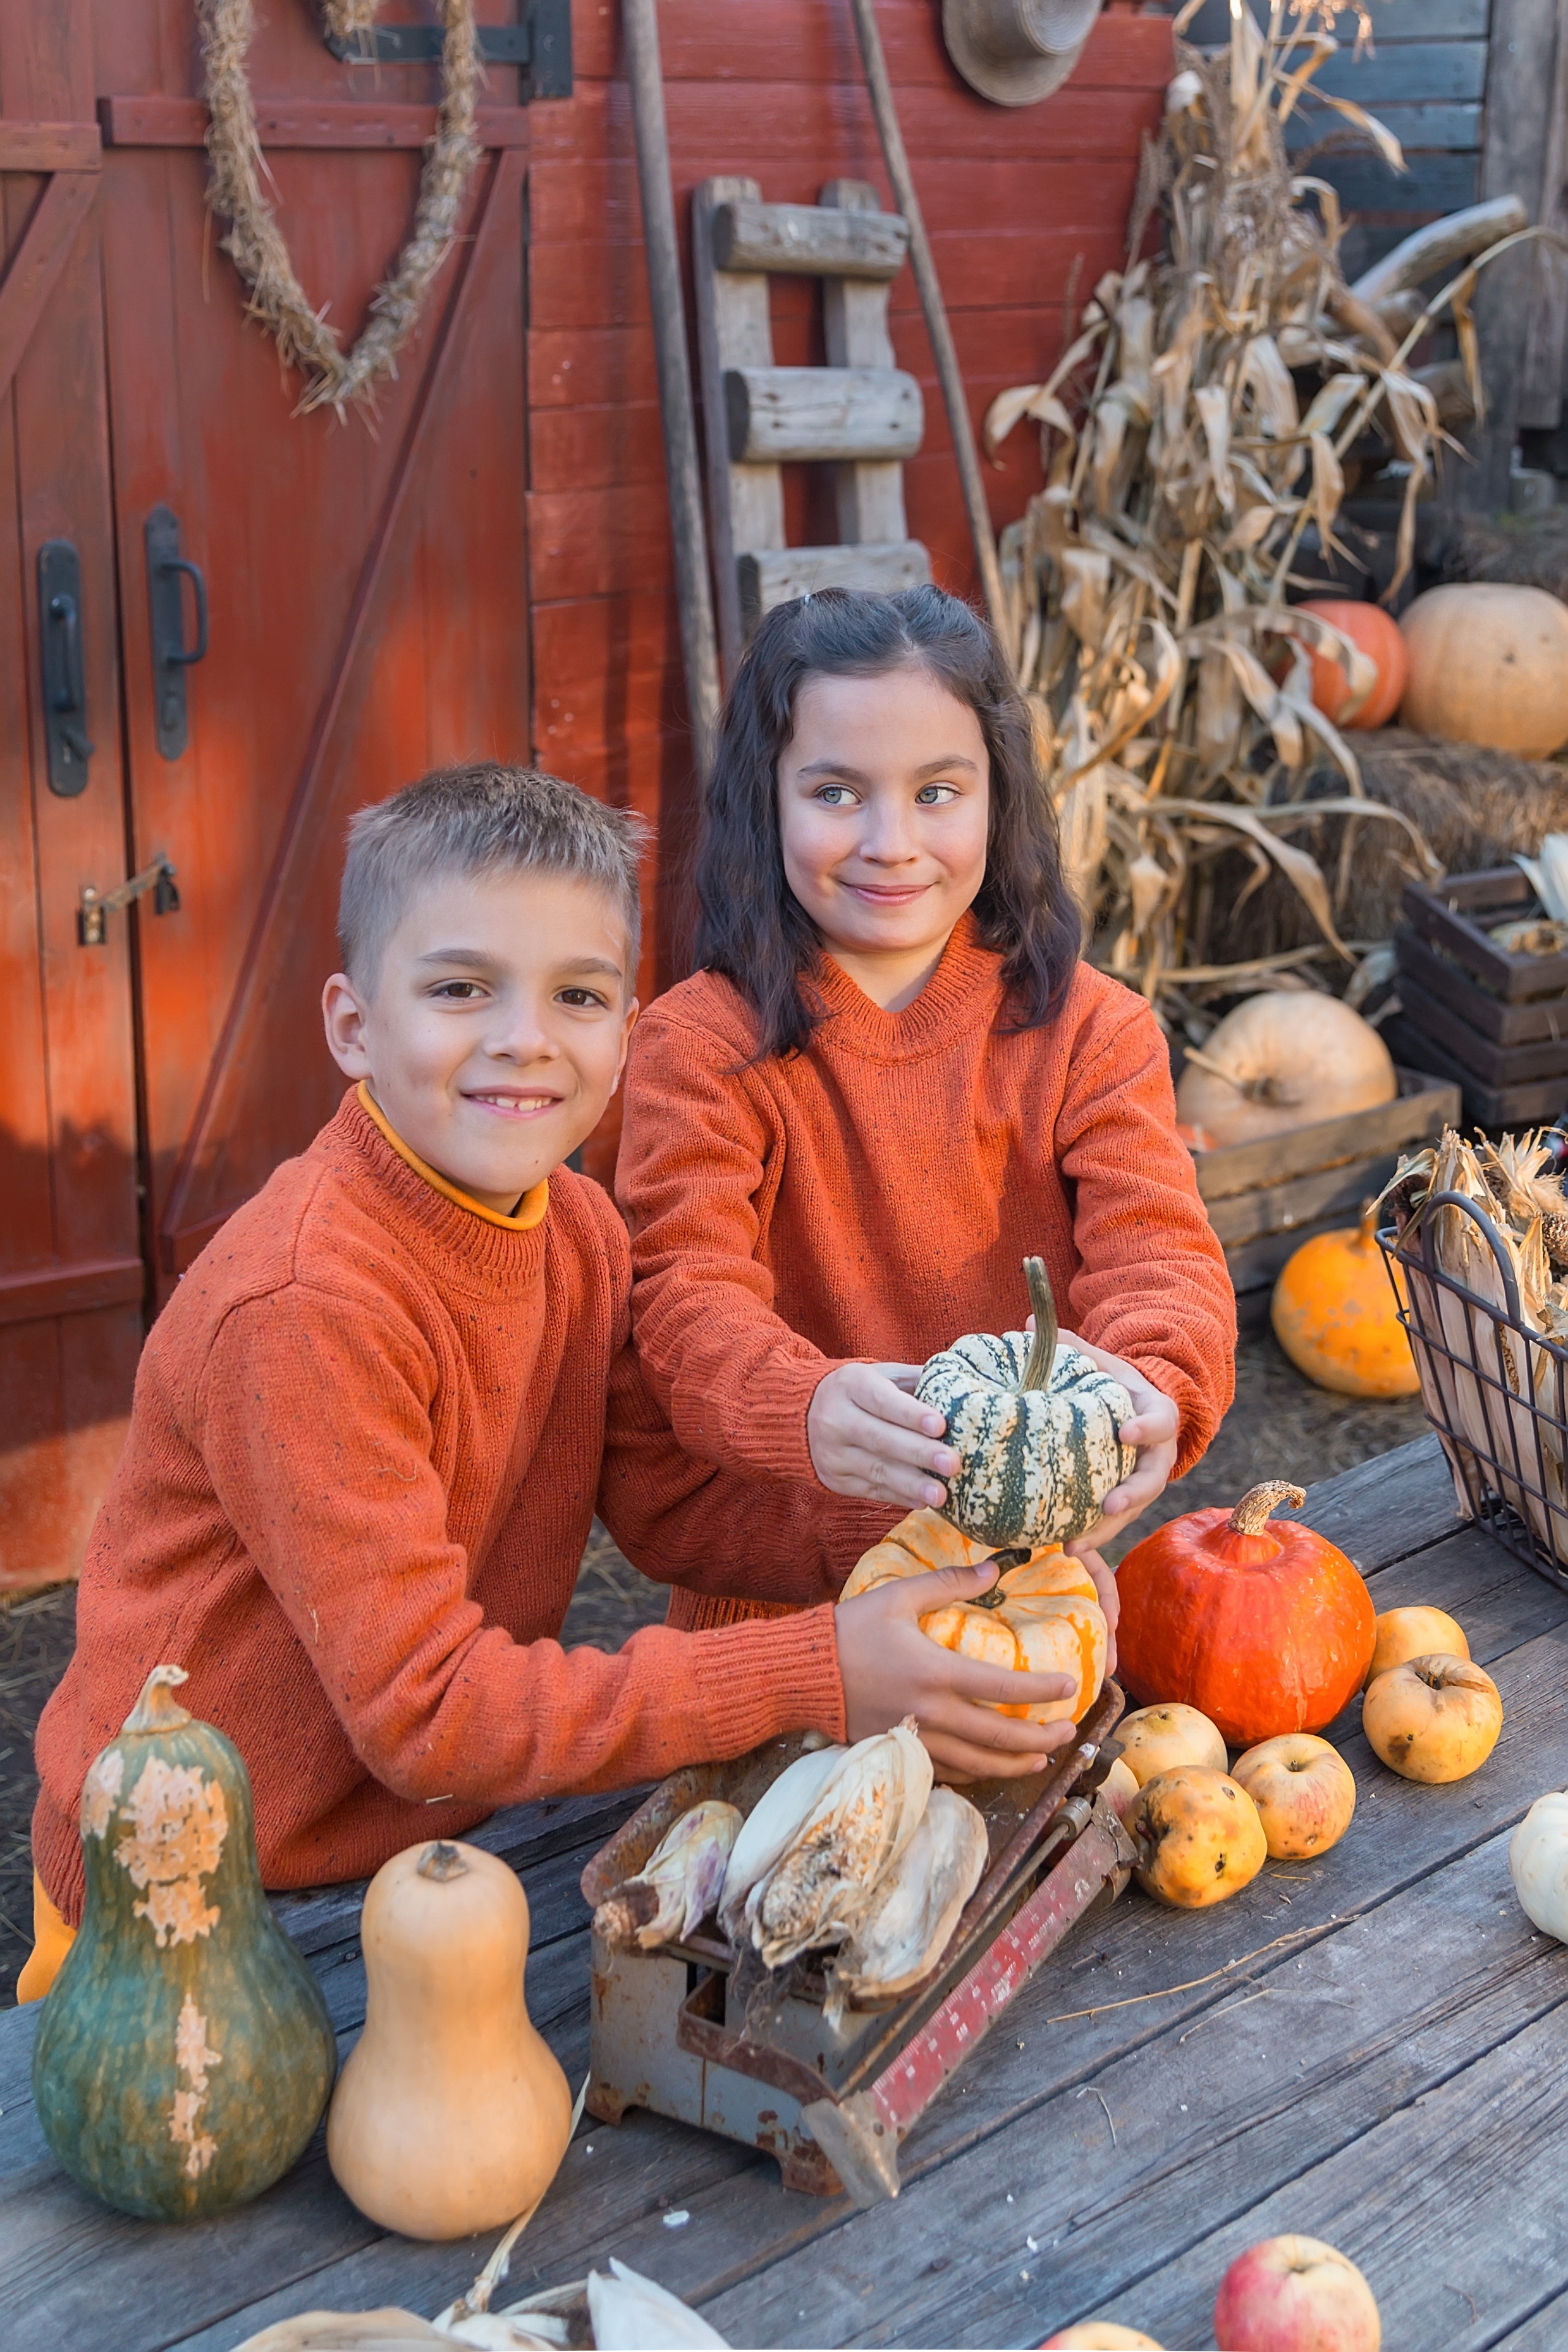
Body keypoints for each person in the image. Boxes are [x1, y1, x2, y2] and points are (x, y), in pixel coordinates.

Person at [21, 761, 1081, 2004]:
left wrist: (947, 1545)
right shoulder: (308, 1305)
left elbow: (666, 1503)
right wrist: (820, 1669)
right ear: (353, 1024)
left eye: (576, 995)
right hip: (196, 1906)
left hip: (419, 1862)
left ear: (623, 1039)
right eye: (461, 987)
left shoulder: (574, 1229)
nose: (524, 1037)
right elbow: (427, 1710)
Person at [617, 586, 1237, 1650]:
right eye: (837, 792)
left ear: (1000, 797)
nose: (891, 842)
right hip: (778, 1608)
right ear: (764, 799)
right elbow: (687, 1301)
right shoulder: (700, 1048)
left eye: (938, 791)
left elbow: (1158, 1255)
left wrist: (1158, 1383)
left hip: (1024, 1588)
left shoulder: (1093, 1030)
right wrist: (804, 1409)